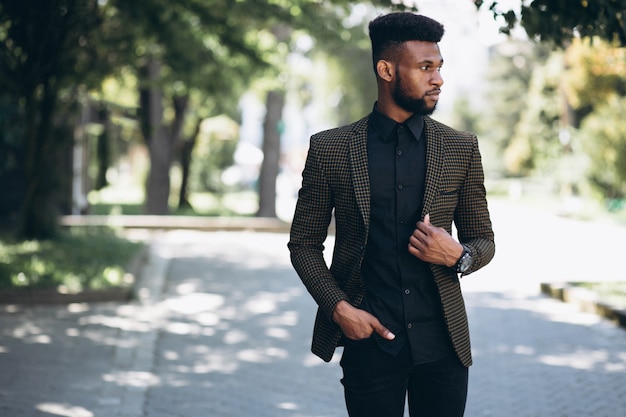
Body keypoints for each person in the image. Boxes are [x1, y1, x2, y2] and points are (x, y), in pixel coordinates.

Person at [288, 11, 495, 417]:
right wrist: (339, 308)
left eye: (438, 67)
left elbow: (483, 240)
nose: (438, 79)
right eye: (424, 67)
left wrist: (459, 256)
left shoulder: (460, 148)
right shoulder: (331, 148)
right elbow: (305, 244)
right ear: (386, 70)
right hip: (370, 343)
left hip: (442, 347)